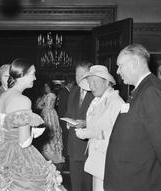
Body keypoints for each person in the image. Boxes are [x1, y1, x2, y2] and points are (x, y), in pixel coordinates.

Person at [0, 58, 66, 191]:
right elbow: (24, 142)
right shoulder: (22, 100)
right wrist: (34, 132)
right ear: (22, 76)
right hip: (19, 155)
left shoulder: (4, 96)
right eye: (32, 73)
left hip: (0, 149)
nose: (34, 77)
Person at [104, 44, 161, 191]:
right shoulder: (141, 89)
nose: (117, 71)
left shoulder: (151, 91)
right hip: (129, 179)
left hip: (139, 182)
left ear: (135, 62)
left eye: (120, 66)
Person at [74, 65, 124, 191]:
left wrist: (93, 133)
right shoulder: (98, 101)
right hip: (97, 160)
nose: (92, 86)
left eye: (95, 82)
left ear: (107, 82)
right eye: (90, 83)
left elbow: (121, 135)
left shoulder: (116, 102)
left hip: (108, 161)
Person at [65, 61, 94, 191]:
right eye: (77, 75)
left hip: (88, 147)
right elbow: (69, 111)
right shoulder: (74, 91)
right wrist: (67, 121)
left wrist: (86, 123)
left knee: (88, 186)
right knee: (75, 185)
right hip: (73, 146)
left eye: (82, 75)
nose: (78, 78)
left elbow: (103, 120)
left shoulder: (96, 91)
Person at [36, 81, 65, 165]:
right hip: (50, 114)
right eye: (45, 87)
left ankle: (51, 153)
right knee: (50, 133)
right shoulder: (48, 95)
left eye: (47, 86)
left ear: (50, 87)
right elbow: (39, 105)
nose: (46, 88)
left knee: (51, 132)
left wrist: (41, 101)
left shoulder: (50, 95)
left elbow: (42, 106)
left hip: (49, 115)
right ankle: (49, 153)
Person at [57, 77, 75, 160]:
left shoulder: (64, 91)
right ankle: (65, 153)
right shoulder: (64, 92)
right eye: (72, 84)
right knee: (65, 135)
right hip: (64, 117)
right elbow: (63, 107)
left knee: (65, 135)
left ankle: (66, 152)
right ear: (70, 84)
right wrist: (64, 118)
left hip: (64, 117)